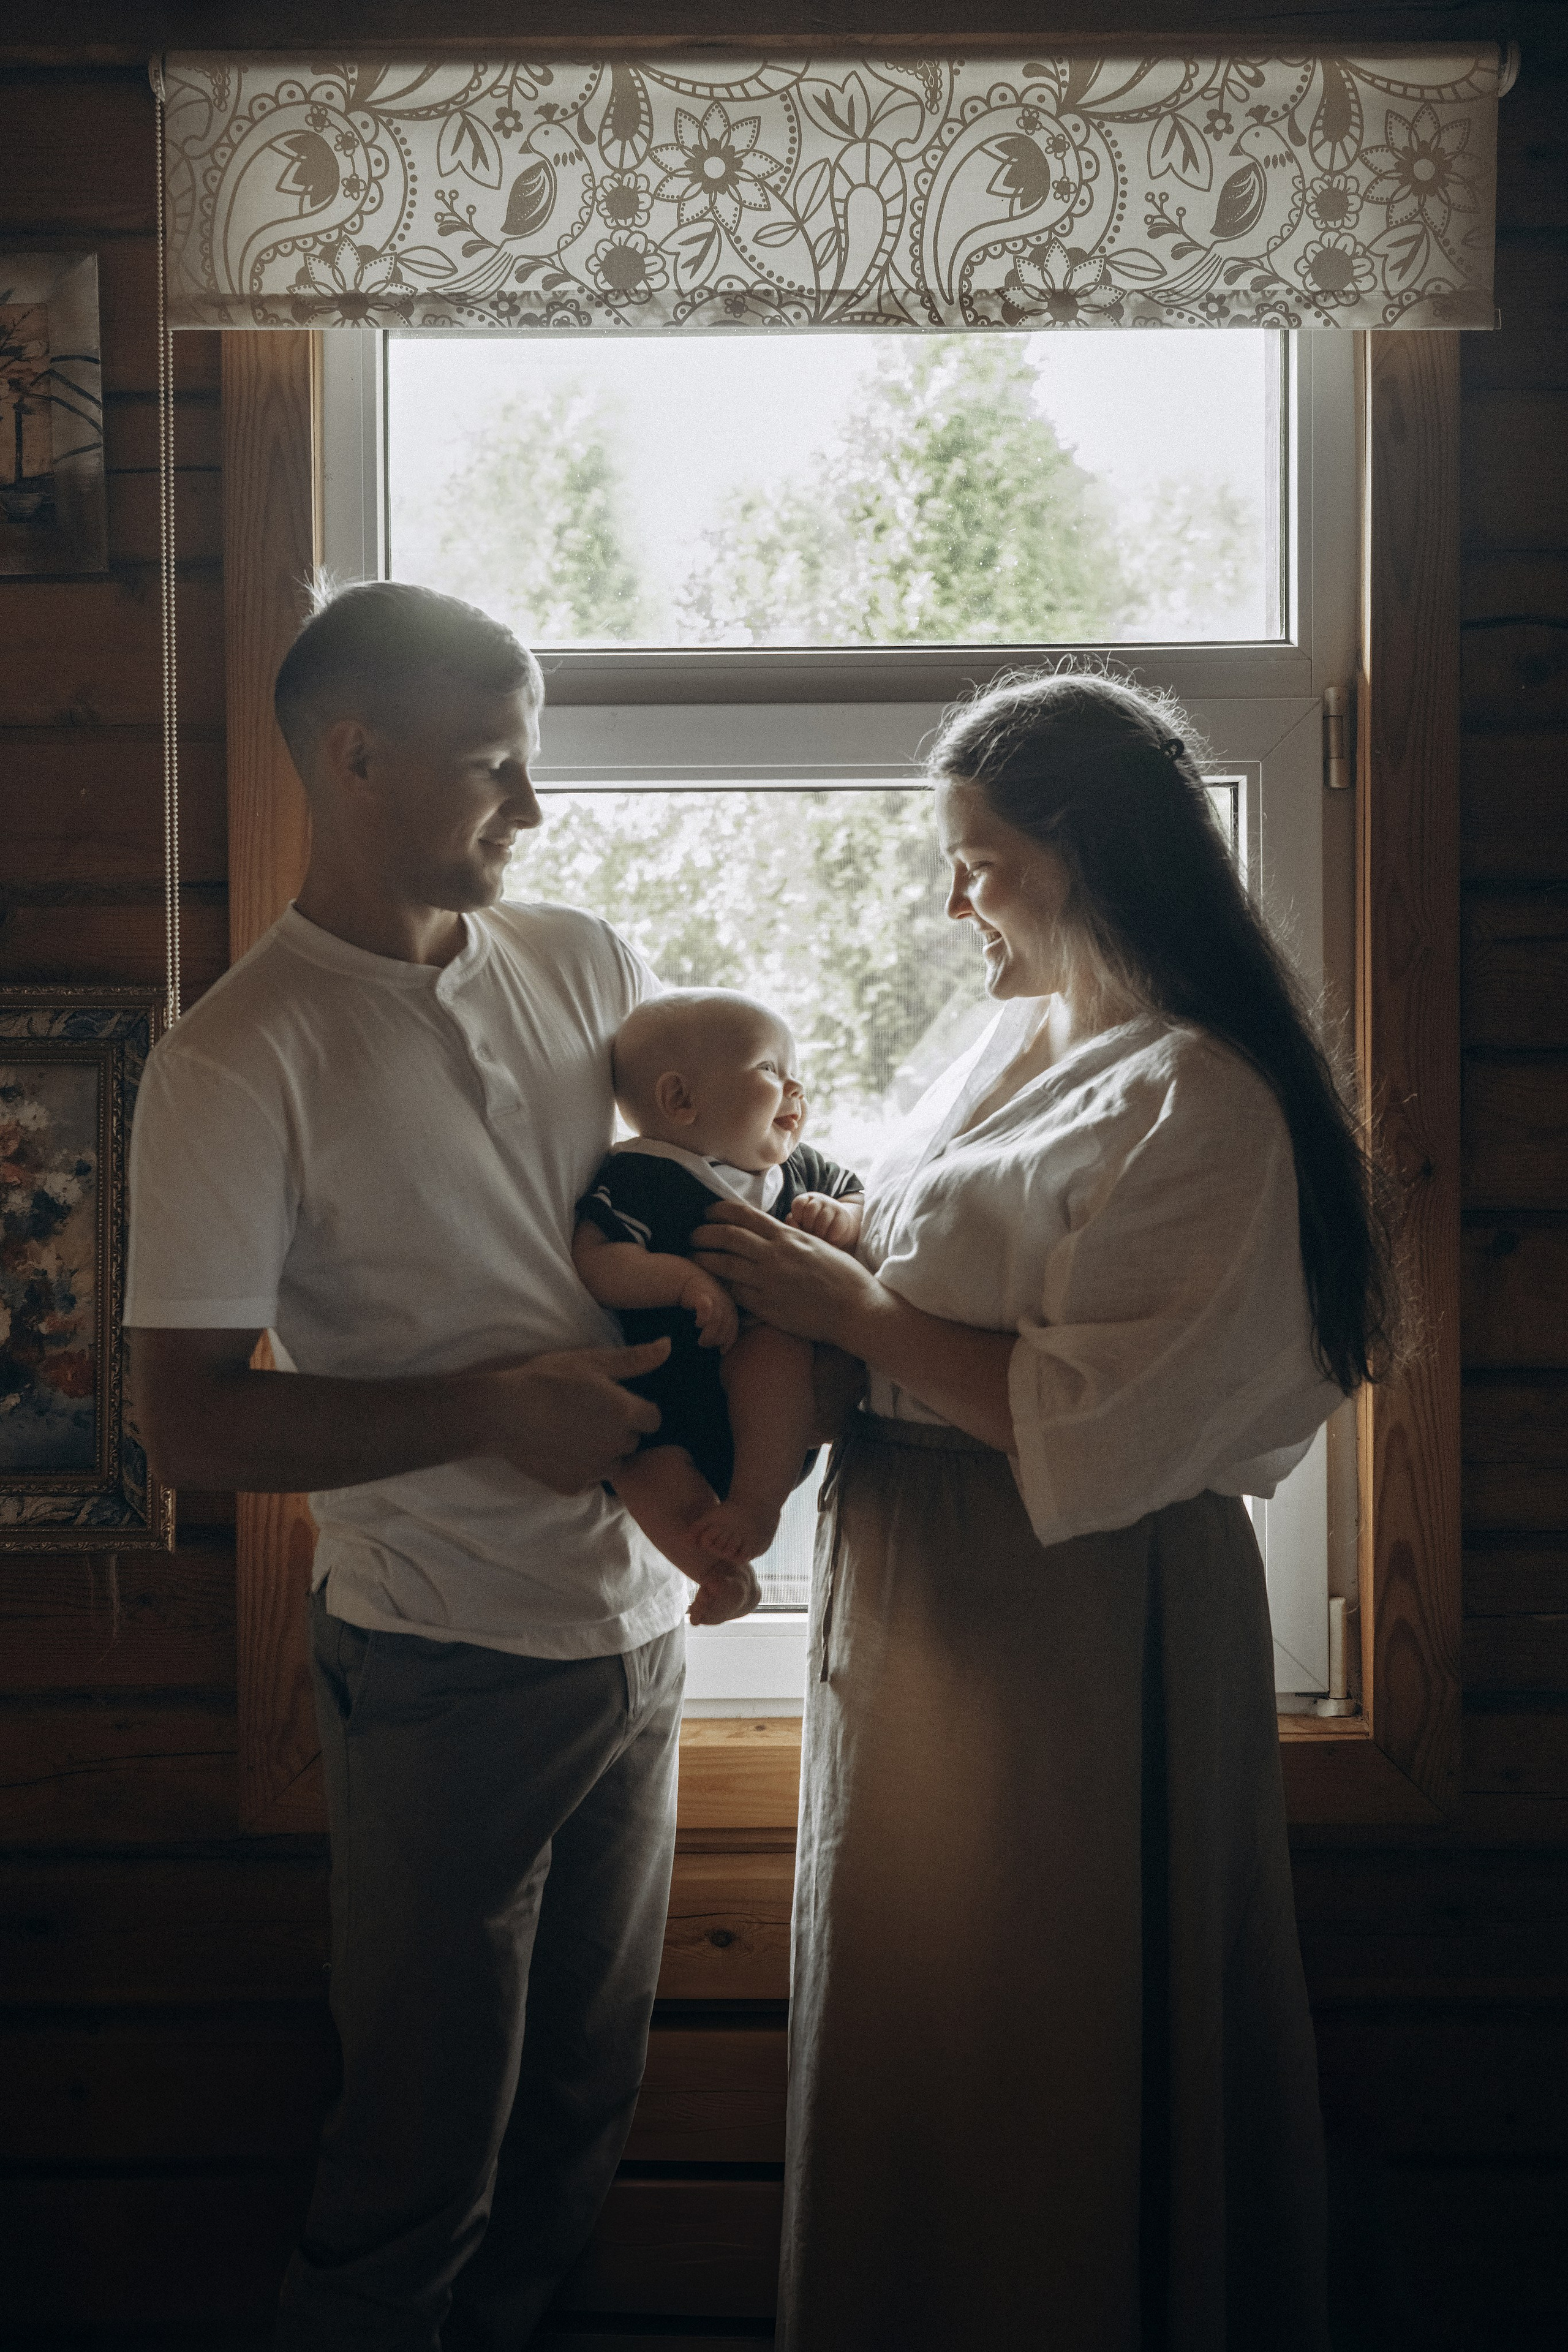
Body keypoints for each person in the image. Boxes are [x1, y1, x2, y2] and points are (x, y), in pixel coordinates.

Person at [692, 667, 1398, 2351]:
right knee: (926, 2027)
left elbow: (1102, 1419)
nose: (956, 906)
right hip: (924, 1582)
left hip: (1077, 1601)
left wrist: (850, 1309)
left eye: (980, 864)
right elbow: (939, 1266)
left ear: (1084, 853)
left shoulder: (1205, 1099)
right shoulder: (1016, 1041)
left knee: (1047, 2043)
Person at [123, 581, 725, 2350]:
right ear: (355, 755)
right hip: (442, 1656)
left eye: (532, 760)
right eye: (491, 766)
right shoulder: (234, 1061)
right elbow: (190, 1421)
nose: (532, 806)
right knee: (413, 2167)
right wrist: (485, 1410)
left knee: (575, 2128)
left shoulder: (584, 961)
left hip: (642, 1629)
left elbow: (662, 1205)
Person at [573, 989, 864, 1576]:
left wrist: (842, 1217)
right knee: (635, 1465)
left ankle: (755, 1508)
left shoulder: (800, 1169)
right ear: (681, 1099)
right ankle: (718, 1573)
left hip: (771, 1412)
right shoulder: (643, 1174)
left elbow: (860, 1198)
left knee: (773, 1350)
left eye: (795, 1073)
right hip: (667, 1395)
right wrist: (682, 1281)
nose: (796, 1088)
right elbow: (597, 1259)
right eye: (770, 1069)